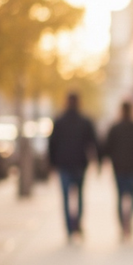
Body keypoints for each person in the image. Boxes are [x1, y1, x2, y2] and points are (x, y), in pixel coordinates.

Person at [48, 92, 99, 240]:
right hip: (80, 165)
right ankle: (77, 224)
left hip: (64, 165)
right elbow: (93, 142)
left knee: (65, 198)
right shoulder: (85, 121)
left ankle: (69, 229)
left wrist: (52, 164)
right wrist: (97, 162)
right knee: (80, 196)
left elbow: (52, 144)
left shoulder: (59, 120)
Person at [103, 100, 133, 238]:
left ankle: (122, 227)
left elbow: (107, 148)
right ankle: (129, 223)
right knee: (132, 196)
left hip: (118, 168)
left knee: (119, 197)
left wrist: (105, 162)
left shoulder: (114, 128)